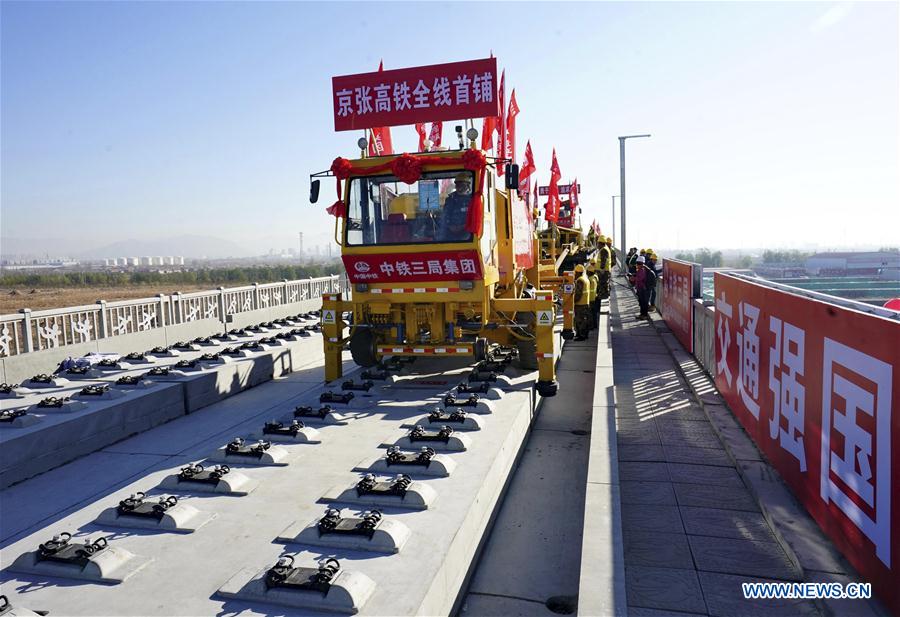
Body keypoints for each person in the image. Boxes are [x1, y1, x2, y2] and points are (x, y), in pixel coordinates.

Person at [439, 173, 473, 241]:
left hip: (467, 232)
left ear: (468, 186)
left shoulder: (472, 199)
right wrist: (450, 226)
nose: (460, 187)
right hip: (450, 231)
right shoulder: (450, 199)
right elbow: (445, 216)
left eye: (462, 185)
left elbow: (475, 217)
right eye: (458, 185)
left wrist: (463, 226)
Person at [573, 264, 592, 340]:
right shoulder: (586, 279)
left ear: (577, 272)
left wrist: (573, 301)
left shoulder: (580, 280)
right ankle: (583, 335)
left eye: (575, 273)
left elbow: (578, 293)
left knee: (580, 320)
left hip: (580, 304)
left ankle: (582, 336)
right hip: (585, 303)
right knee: (584, 319)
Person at [587, 262, 600, 327]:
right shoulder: (595, 277)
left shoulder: (590, 280)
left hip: (590, 299)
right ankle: (595, 325)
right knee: (594, 313)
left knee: (590, 314)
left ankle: (591, 325)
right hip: (595, 297)